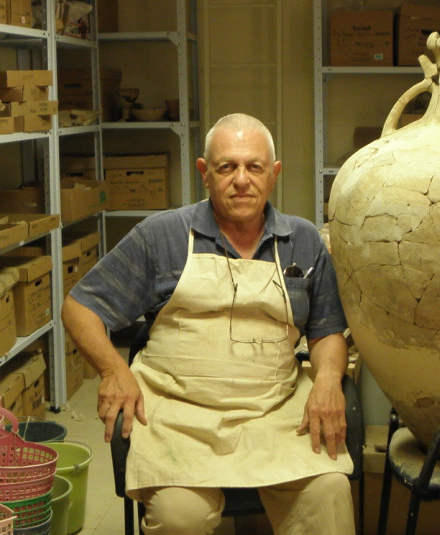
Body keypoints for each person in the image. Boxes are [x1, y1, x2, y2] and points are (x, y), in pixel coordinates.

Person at [61, 113, 355, 535]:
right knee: (181, 517)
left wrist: (328, 379)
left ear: (273, 174)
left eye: (254, 167)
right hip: (179, 414)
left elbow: (326, 329)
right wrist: (113, 370)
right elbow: (80, 306)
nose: (241, 179)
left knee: (328, 493)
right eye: (226, 167)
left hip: (274, 411)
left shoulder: (303, 240)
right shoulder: (161, 236)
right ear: (205, 173)